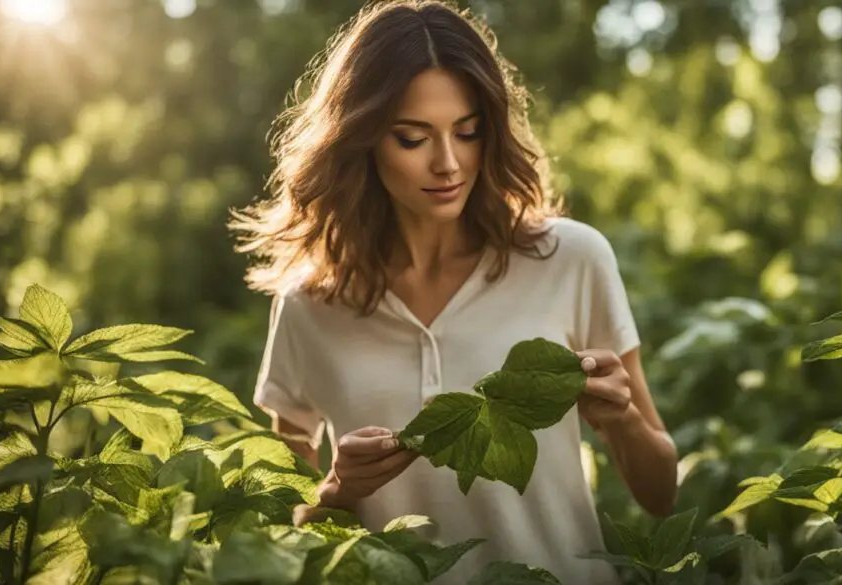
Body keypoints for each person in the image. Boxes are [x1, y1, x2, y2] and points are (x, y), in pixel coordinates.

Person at [229, 1, 679, 583]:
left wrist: (621, 422)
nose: (448, 163)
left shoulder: (571, 259)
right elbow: (281, 538)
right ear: (361, 139)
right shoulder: (308, 305)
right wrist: (338, 491)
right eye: (413, 139)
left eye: (467, 132)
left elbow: (662, 494)